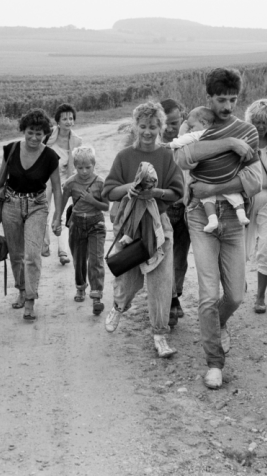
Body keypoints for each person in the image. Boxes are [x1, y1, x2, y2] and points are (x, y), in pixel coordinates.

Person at [175, 67, 262, 389]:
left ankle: (218, 323)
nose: (227, 106)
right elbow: (182, 158)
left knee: (236, 295)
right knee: (209, 294)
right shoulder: (198, 126)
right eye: (221, 99)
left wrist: (213, 188)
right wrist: (229, 144)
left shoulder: (249, 131)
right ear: (209, 98)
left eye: (233, 99)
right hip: (200, 218)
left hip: (233, 217)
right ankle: (214, 363)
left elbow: (255, 180)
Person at [102, 101, 185, 358]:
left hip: (159, 229)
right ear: (135, 126)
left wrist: (156, 192)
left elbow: (177, 193)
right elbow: (108, 191)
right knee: (127, 280)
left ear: (161, 127)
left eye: (153, 126)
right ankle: (118, 306)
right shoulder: (124, 157)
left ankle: (160, 335)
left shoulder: (166, 156)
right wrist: (130, 188)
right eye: (143, 126)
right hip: (130, 228)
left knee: (161, 283)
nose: (148, 132)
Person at [0, 108, 62, 321]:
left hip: (37, 206)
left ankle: (30, 299)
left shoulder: (50, 156)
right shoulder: (10, 150)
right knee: (17, 254)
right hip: (11, 204)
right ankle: (21, 290)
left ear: (45, 134)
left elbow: (57, 188)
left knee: (32, 256)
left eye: (39, 133)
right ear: (23, 130)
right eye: (30, 132)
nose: (34, 137)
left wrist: (57, 217)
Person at [172, 106, 250, 232]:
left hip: (205, 176)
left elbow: (182, 141)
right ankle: (241, 214)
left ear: (203, 123)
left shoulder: (198, 135)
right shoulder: (221, 132)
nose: (190, 130)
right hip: (224, 174)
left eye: (192, 126)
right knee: (233, 194)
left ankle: (212, 219)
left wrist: (178, 135)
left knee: (206, 198)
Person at [58, 146, 109, 315]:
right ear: (75, 166)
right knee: (79, 259)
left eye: (88, 167)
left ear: (94, 165)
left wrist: (92, 200)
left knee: (96, 260)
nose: (84, 171)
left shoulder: (100, 183)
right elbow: (62, 203)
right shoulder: (71, 183)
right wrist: (56, 220)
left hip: (96, 224)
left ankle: (96, 295)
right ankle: (80, 286)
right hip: (77, 223)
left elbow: (106, 206)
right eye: (80, 168)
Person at [243, 99, 267, 314]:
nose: (260, 126)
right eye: (256, 121)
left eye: (264, 122)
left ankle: (261, 296)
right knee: (241, 248)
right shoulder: (243, 142)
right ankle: (238, 284)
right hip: (246, 200)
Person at [159, 98, 189, 327]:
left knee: (180, 258)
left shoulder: (191, 142)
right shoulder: (155, 147)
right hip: (164, 210)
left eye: (175, 123)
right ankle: (170, 301)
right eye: (166, 124)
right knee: (165, 256)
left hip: (187, 209)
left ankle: (175, 294)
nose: (170, 129)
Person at [43, 103, 83, 265]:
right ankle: (44, 246)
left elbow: (77, 166)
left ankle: (63, 251)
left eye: (71, 118)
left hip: (63, 180)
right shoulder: (47, 136)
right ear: (57, 121)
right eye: (64, 118)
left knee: (63, 214)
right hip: (45, 179)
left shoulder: (77, 141)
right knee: (42, 211)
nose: (68, 121)